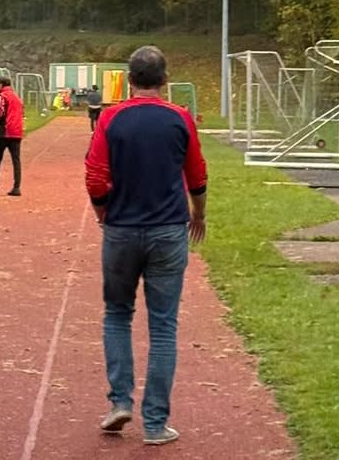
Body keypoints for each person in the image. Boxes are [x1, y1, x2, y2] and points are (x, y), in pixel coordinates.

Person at [84, 45, 207, 447]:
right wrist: (198, 213)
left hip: (121, 228)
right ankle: (155, 423)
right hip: (169, 230)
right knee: (163, 325)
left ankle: (120, 400)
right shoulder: (181, 119)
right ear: (165, 79)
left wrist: (104, 213)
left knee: (117, 313)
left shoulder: (110, 118)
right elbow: (197, 174)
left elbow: (95, 175)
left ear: (129, 80)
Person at [0, 76, 24, 196]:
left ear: (1, 85)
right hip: (17, 131)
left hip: (4, 131)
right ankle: (17, 187)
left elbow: (0, 113)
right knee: (16, 160)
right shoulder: (16, 97)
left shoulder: (2, 96)